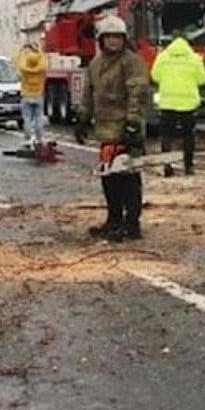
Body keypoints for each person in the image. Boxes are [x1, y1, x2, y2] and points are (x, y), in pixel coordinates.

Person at [74, 15, 149, 242]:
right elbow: (89, 95)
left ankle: (132, 224)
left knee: (128, 179)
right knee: (109, 179)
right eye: (109, 37)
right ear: (101, 39)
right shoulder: (95, 64)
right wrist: (82, 119)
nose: (114, 41)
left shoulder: (131, 62)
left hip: (126, 128)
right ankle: (113, 219)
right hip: (105, 131)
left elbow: (138, 93)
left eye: (118, 37)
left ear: (124, 39)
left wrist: (133, 124)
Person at [150, 32, 205, 175]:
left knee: (166, 136)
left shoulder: (162, 57)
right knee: (188, 136)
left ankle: (168, 165)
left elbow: (154, 76)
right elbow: (202, 79)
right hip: (188, 105)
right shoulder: (194, 58)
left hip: (167, 103)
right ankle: (189, 166)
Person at [14, 42, 48, 146]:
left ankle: (27, 138)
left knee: (27, 118)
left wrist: (22, 50)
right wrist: (37, 49)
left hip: (26, 96)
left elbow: (17, 60)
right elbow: (44, 58)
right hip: (38, 96)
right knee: (38, 117)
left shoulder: (24, 68)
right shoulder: (41, 68)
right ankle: (39, 138)